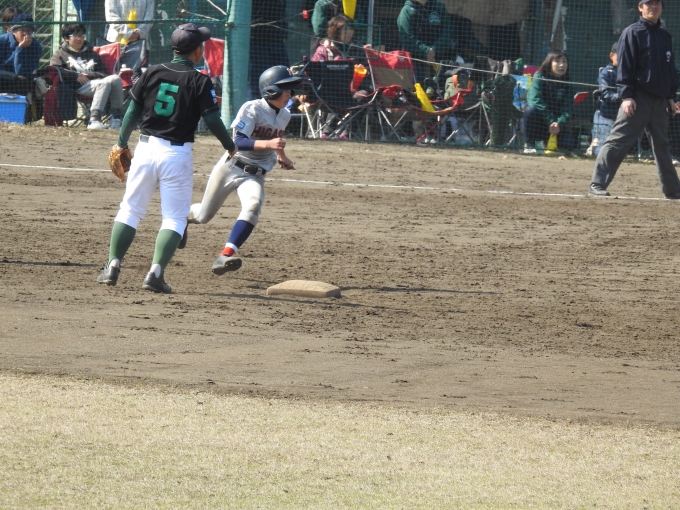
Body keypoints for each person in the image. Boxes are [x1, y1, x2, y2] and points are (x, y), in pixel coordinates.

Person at [96, 23, 236, 293]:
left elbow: (132, 111)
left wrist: (121, 142)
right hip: (176, 154)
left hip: (146, 149)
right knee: (174, 218)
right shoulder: (199, 80)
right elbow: (212, 120)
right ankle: (155, 274)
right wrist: (230, 146)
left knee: (130, 210)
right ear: (196, 51)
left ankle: (112, 266)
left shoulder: (152, 71)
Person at [185, 65, 302, 276]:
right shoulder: (252, 108)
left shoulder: (285, 114)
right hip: (231, 166)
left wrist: (281, 156)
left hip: (255, 174)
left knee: (253, 206)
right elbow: (238, 141)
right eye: (285, 89)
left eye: (290, 89)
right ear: (271, 90)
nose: (289, 94)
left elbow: (276, 139)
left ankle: (225, 255)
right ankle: (181, 218)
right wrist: (270, 145)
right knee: (203, 216)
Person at [589, 0, 680, 198]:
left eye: (657, 3)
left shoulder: (665, 35)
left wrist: (670, 97)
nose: (653, 6)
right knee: (619, 141)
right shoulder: (632, 32)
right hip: (637, 98)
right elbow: (625, 66)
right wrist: (627, 96)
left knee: (662, 146)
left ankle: (673, 191)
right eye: (648, 3)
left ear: (662, 7)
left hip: (660, 101)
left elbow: (669, 69)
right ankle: (597, 184)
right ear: (640, 7)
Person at [49, 23, 125, 130]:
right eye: (76, 35)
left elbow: (104, 73)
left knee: (116, 79)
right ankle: (94, 119)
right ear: (66, 38)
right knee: (104, 83)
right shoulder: (60, 54)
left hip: (96, 84)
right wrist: (75, 75)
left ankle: (116, 118)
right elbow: (55, 70)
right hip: (76, 87)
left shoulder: (92, 54)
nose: (79, 39)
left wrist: (88, 75)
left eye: (82, 35)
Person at [396, 0, 485, 83]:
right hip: (416, 59)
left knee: (445, 84)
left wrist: (434, 50)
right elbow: (407, 38)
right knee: (419, 87)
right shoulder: (406, 11)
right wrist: (426, 51)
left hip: (441, 57)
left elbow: (447, 33)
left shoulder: (439, 7)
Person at [522, 49, 576, 154]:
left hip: (557, 126)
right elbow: (535, 100)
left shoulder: (568, 81)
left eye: (564, 61)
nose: (562, 65)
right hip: (540, 121)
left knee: (569, 143)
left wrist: (558, 123)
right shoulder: (539, 76)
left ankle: (547, 142)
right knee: (530, 110)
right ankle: (529, 145)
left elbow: (568, 108)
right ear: (549, 63)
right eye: (557, 61)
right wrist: (550, 120)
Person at [586, 43, 621, 157]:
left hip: (622, 117)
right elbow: (605, 94)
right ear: (611, 55)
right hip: (605, 116)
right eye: (620, 55)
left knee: (617, 150)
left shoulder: (628, 72)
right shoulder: (606, 72)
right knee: (601, 151)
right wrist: (623, 97)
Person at [249, 0, 289, 99]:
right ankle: (257, 104)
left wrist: (284, 34)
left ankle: (279, 104)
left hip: (277, 39)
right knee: (258, 78)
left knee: (283, 75)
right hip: (257, 40)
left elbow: (282, 13)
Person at [0, 13, 41, 96]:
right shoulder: (2, 41)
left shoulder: (36, 46)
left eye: (29, 31)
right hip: (2, 79)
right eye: (22, 30)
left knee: (23, 81)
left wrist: (21, 48)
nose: (26, 34)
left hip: (20, 83)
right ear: (14, 31)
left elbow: (22, 72)